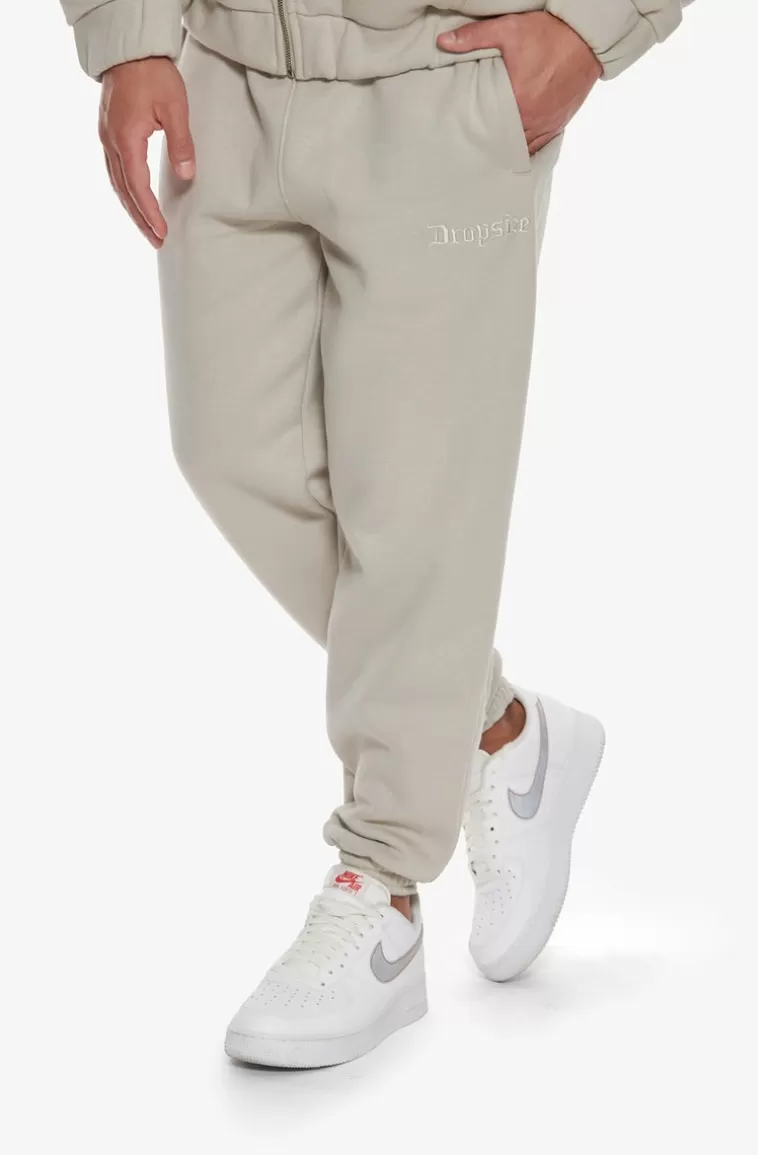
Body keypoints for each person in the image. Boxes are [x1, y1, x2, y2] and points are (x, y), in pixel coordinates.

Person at [60, 0, 692, 1069]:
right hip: (221, 71)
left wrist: (596, 26)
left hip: (442, 79)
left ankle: (384, 885)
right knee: (231, 452)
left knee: (412, 505)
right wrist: (127, 38)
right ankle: (494, 729)